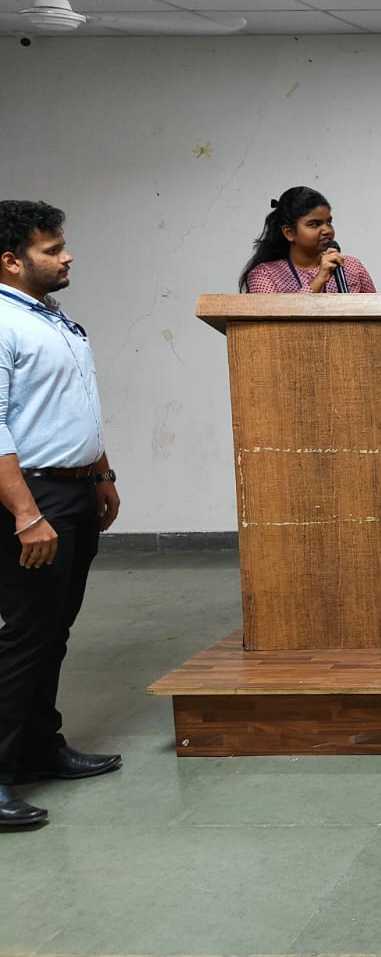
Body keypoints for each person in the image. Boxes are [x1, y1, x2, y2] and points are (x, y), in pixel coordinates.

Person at [0, 201, 123, 831]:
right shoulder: (3, 322)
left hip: (73, 491)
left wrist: (100, 473)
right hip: (33, 498)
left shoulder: (50, 316)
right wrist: (27, 515)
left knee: (54, 630)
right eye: (51, 249)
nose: (66, 255)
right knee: (25, 636)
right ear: (10, 261)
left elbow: (72, 402)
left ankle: (38, 748)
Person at [239, 186, 376, 293]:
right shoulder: (265, 275)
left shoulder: (351, 267)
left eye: (329, 222)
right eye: (314, 224)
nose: (327, 230)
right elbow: (277, 318)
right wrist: (319, 280)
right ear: (289, 233)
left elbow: (377, 314)